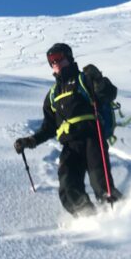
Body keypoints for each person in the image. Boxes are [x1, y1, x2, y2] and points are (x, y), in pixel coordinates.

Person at [14, 43, 122, 217]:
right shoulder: (53, 95)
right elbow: (49, 127)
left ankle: (123, 214)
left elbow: (109, 93)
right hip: (70, 146)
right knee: (67, 189)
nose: (55, 62)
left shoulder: (84, 79)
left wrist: (98, 78)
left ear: (69, 57)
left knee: (102, 185)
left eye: (58, 57)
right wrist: (30, 141)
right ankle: (90, 219)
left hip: (92, 140)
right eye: (51, 60)